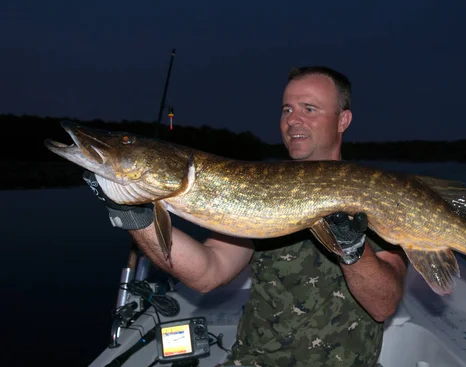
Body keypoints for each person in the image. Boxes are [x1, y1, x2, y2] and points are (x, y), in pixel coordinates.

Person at [84, 66, 408, 366]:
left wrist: (354, 250)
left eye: (309, 109)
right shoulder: (258, 187)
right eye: (286, 109)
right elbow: (208, 271)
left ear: (343, 120)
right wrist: (132, 214)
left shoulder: (376, 193)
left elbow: (383, 305)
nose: (293, 119)